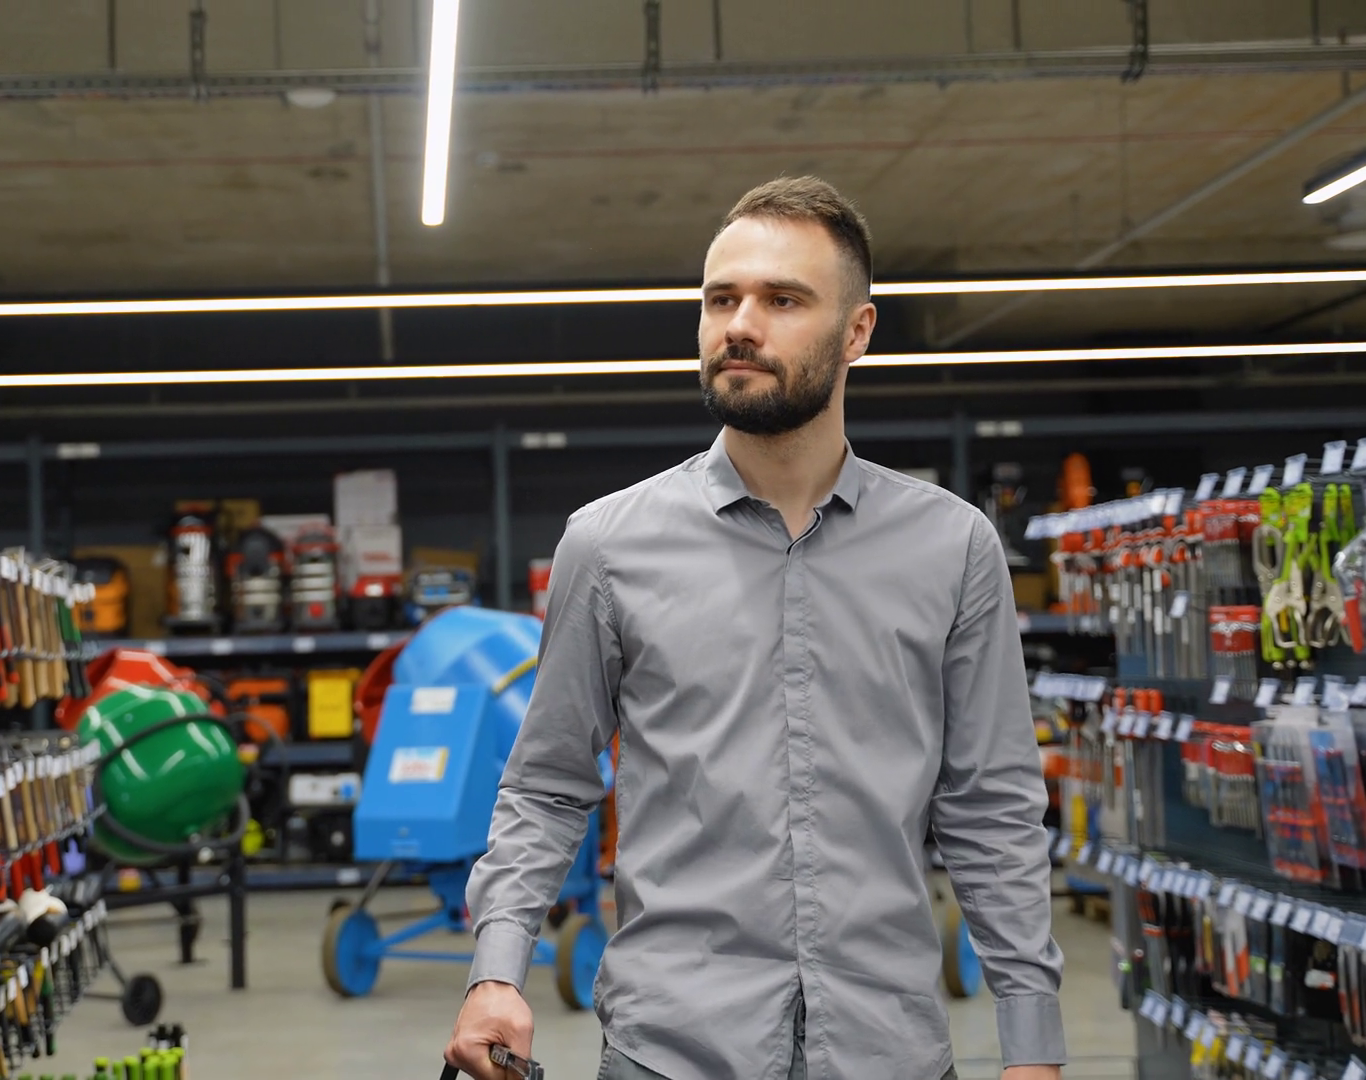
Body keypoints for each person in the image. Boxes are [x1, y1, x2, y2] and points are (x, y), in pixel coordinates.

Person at [443, 175, 1066, 1080]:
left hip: (886, 1049)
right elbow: (546, 785)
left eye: (782, 300)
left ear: (857, 331)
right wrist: (496, 973)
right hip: (671, 1052)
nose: (740, 325)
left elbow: (991, 808)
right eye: (720, 299)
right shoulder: (608, 546)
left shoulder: (952, 548)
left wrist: (1032, 1043)